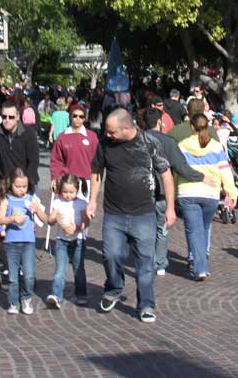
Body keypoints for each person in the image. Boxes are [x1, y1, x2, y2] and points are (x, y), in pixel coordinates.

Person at [87, 109, 176, 323]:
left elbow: (166, 174)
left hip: (144, 213)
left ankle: (146, 304)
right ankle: (115, 287)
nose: (108, 135)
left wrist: (170, 207)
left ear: (127, 128)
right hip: (114, 213)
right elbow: (97, 172)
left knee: (146, 262)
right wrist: (92, 200)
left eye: (112, 132)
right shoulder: (105, 144)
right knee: (111, 255)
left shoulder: (149, 143)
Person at [145, 108, 208, 276]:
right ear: (160, 122)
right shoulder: (167, 141)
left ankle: (146, 260)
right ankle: (159, 263)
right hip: (161, 190)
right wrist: (201, 177)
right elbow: (181, 167)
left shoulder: (137, 140)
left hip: (140, 191)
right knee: (161, 228)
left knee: (144, 228)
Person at [176, 114, 238, 280]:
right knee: (203, 229)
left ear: (192, 127)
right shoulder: (216, 147)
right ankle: (199, 262)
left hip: (188, 192)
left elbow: (177, 170)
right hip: (210, 193)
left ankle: (199, 266)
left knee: (194, 231)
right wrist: (232, 192)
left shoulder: (182, 146)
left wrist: (174, 191)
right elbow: (225, 171)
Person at [0, 167, 48, 315]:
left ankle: (26, 297)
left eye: (24, 186)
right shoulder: (7, 199)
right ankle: (13, 302)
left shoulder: (31, 199)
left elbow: (46, 219)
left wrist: (38, 210)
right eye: (18, 186)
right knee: (12, 277)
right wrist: (11, 219)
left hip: (28, 243)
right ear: (11, 184)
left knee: (29, 275)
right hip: (11, 243)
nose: (21, 190)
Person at [46, 173, 88, 308]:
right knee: (60, 269)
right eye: (65, 192)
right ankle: (56, 295)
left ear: (77, 190)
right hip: (61, 241)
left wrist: (75, 228)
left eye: (71, 192)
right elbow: (50, 220)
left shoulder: (81, 203)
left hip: (78, 240)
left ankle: (81, 294)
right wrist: (55, 218)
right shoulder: (58, 202)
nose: (68, 195)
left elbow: (85, 224)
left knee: (79, 269)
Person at [0, 101, 40, 199]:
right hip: (6, 183)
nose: (7, 120)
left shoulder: (28, 133)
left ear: (18, 117)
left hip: (27, 183)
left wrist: (26, 183)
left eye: (11, 117)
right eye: (4, 117)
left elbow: (33, 160)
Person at [49, 103, 99, 196]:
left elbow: (97, 161)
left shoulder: (92, 137)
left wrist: (95, 182)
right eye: (75, 115)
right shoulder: (62, 137)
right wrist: (55, 177)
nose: (78, 118)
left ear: (84, 118)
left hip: (86, 182)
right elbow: (56, 160)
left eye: (81, 116)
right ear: (70, 117)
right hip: (67, 182)